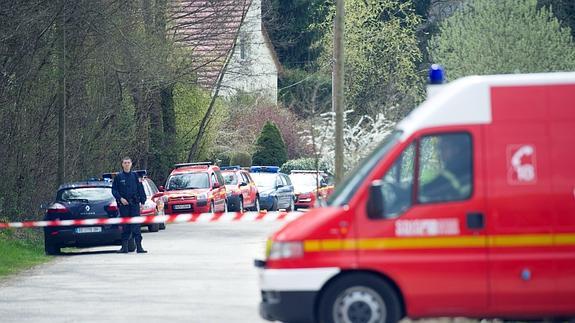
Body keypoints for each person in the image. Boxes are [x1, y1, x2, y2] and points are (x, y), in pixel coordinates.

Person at [419, 134, 471, 203]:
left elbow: (432, 187)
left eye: (445, 147)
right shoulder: (465, 167)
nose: (441, 152)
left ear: (456, 149)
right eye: (440, 148)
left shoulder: (456, 170)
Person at [112, 157, 148, 254]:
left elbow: (141, 189)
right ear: (122, 164)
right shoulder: (118, 177)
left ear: (131, 164)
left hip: (135, 205)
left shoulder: (135, 176)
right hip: (124, 206)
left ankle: (139, 247)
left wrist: (143, 202)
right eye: (125, 163)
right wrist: (120, 198)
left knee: (136, 226)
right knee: (125, 226)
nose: (127, 164)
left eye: (128, 162)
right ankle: (124, 247)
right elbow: (114, 190)